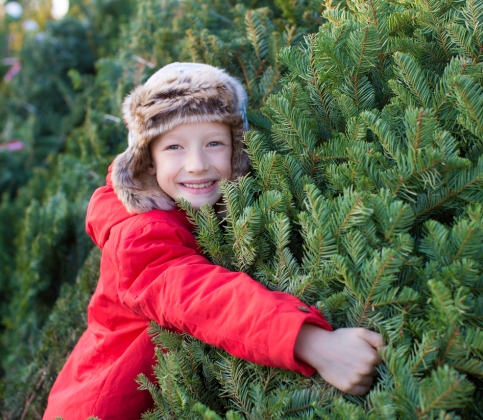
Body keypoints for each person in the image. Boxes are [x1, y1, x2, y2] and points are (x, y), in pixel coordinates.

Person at [43, 63, 383, 419]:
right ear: (147, 162)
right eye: (174, 146)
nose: (196, 164)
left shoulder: (198, 204)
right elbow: (195, 294)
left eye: (214, 143)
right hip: (101, 407)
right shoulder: (138, 232)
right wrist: (309, 342)